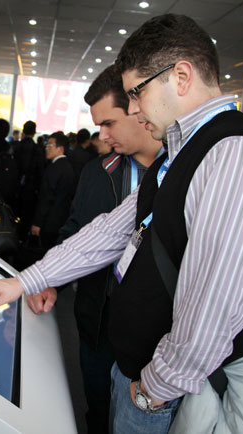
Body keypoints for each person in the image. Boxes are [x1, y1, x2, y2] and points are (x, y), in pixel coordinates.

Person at [0, 14, 243, 434]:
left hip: (168, 393)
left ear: (181, 76)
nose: (133, 108)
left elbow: (217, 300)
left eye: (137, 92)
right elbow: (110, 232)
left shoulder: (236, 155)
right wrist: (25, 281)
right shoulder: (184, 153)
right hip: (141, 374)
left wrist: (155, 389)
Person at [29, 64, 163, 434]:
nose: (101, 135)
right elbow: (74, 231)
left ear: (138, 110)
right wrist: (50, 279)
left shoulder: (180, 175)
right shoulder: (96, 172)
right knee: (98, 410)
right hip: (97, 322)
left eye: (109, 123)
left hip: (153, 338)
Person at [30, 131, 76, 251]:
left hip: (48, 223)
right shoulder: (69, 167)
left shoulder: (54, 169)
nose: (46, 148)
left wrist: (37, 223)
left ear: (60, 149)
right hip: (62, 221)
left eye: (50, 145)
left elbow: (46, 198)